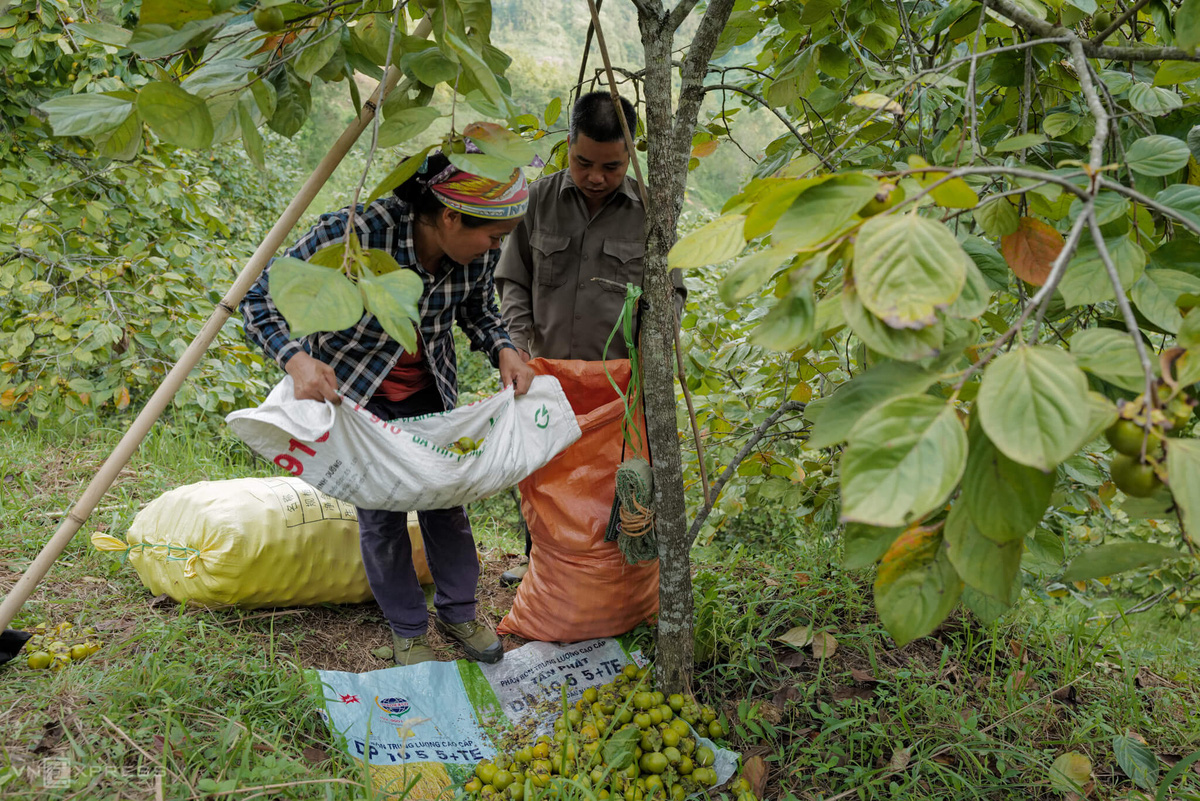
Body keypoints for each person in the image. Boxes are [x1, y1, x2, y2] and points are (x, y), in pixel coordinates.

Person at [242, 152, 535, 666]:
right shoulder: (352, 236)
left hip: (430, 390)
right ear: (449, 217)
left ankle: (459, 612)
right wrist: (296, 360)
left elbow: (479, 311)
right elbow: (257, 295)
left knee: (446, 500)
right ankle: (407, 628)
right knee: (381, 513)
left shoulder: (478, 249)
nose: (497, 247)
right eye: (492, 237)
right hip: (355, 394)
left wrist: (503, 347)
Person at [494, 91, 684, 585]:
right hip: (548, 376)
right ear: (569, 146)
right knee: (544, 476)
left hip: (617, 386)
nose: (596, 177)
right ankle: (543, 565)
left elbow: (673, 295)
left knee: (605, 483)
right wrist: (516, 346)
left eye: (612, 166)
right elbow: (512, 279)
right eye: (583, 163)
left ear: (631, 154)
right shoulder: (537, 200)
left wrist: (654, 354)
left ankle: (604, 578)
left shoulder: (651, 214)